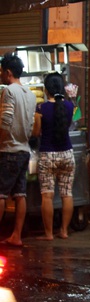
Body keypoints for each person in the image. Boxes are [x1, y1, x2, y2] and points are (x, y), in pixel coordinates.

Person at [32, 72, 76, 241]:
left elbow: (36, 132)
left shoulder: (41, 108)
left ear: (46, 89)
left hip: (48, 154)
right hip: (67, 153)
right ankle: (64, 231)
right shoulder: (70, 107)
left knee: (47, 195)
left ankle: (49, 234)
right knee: (67, 193)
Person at [0, 52, 37, 247]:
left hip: (9, 149)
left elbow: (5, 122)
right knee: (20, 194)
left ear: (7, 72)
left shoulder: (9, 91)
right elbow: (30, 124)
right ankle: (17, 236)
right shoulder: (30, 94)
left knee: (1, 194)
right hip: (24, 149)